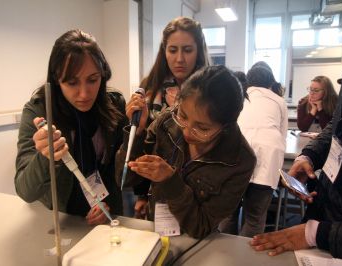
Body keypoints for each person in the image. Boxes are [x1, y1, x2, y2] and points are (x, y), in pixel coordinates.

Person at [116, 65, 256, 238]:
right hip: (156, 233)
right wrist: (136, 132)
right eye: (183, 115)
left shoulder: (239, 160)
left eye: (202, 128)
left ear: (226, 127)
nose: (187, 132)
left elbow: (201, 227)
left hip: (196, 245)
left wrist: (170, 180)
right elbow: (125, 179)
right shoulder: (168, 121)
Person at [15, 29, 127, 225]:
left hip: (107, 216)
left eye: (93, 80)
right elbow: (25, 191)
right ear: (57, 80)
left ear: (103, 74)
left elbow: (115, 170)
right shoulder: (39, 111)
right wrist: (45, 156)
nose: (84, 94)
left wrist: (107, 204)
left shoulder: (114, 104)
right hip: (61, 220)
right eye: (72, 82)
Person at [250, 69, 342, 260]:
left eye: (316, 90)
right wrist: (308, 156)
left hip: (332, 234)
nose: (311, 93)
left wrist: (316, 233)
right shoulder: (306, 102)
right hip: (326, 211)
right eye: (310, 89)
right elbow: (335, 129)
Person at [132, 16, 210, 218]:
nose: (180, 59)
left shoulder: (210, 90)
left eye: (187, 50)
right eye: (173, 50)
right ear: (164, 51)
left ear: (199, 51)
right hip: (157, 191)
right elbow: (143, 147)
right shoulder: (151, 87)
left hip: (199, 189)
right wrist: (141, 194)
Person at [219, 65, 288, 237]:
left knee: (228, 213)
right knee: (254, 218)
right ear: (271, 83)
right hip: (268, 157)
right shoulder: (279, 101)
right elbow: (282, 136)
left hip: (235, 156)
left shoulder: (238, 95)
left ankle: (224, 257)